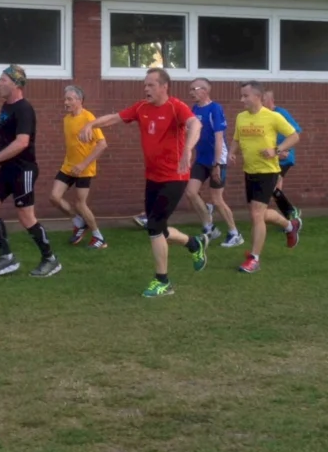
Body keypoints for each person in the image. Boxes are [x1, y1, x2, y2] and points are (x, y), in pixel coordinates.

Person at [81, 67, 207, 298]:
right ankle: (193, 243)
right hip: (153, 177)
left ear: (163, 86)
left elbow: (195, 125)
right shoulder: (141, 107)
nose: (146, 88)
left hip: (175, 176)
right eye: (145, 84)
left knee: (155, 227)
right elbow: (115, 117)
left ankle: (163, 281)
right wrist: (92, 124)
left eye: (151, 84)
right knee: (156, 226)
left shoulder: (175, 106)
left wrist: (187, 150)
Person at [0, 65, 61, 278]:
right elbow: (2, 140)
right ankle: (6, 257)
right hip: (6, 168)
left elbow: (22, 142)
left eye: (3, 80)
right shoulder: (5, 107)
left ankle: (50, 259)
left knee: (26, 216)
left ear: (15, 83)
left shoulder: (24, 109)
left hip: (22, 170)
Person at [228, 81, 303, 274]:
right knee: (258, 214)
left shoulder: (272, 117)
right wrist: (232, 152)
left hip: (268, 171)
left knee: (255, 215)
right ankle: (289, 225)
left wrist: (277, 149)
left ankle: (254, 259)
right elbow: (237, 138)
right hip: (249, 170)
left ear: (257, 97)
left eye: (245, 96)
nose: (241, 99)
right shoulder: (241, 117)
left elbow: (294, 136)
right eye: (241, 95)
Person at [185, 78, 243, 249]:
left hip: (217, 159)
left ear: (204, 90)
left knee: (217, 199)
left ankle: (235, 233)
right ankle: (210, 228)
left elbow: (219, 138)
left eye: (193, 89)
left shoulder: (215, 109)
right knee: (190, 192)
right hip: (201, 159)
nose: (191, 92)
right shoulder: (194, 109)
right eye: (190, 90)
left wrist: (217, 164)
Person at [50, 85, 108, 249]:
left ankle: (98, 237)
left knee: (80, 204)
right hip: (68, 166)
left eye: (69, 99)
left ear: (79, 100)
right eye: (65, 99)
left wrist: (83, 164)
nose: (65, 102)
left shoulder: (89, 118)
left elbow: (102, 144)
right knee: (54, 197)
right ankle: (78, 222)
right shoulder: (66, 119)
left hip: (84, 169)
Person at [263, 89, 302, 221]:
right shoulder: (263, 115)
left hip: (284, 158)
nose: (261, 103)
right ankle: (289, 218)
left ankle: (291, 211)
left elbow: (295, 132)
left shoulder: (281, 113)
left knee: (272, 187)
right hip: (272, 157)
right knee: (276, 189)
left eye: (264, 100)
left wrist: (285, 151)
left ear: (271, 101)